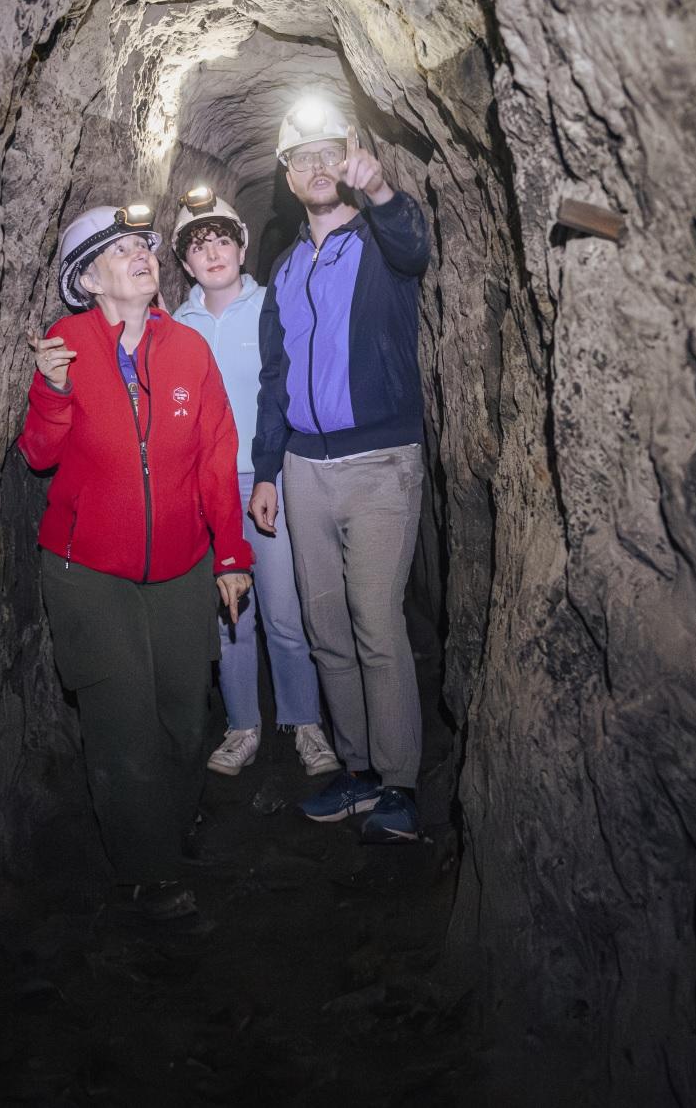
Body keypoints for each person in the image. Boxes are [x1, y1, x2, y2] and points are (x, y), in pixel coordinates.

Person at [18, 201, 253, 921]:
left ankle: (169, 825)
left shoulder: (187, 348)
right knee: (121, 718)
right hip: (88, 569)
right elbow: (38, 454)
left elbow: (217, 455)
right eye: (120, 251)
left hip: (182, 565)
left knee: (184, 716)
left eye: (143, 247)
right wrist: (53, 392)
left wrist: (231, 553)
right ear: (88, 279)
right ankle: (144, 871)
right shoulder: (66, 343)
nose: (141, 256)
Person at [250, 101, 431, 844]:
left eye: (330, 154)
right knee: (327, 627)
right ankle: (356, 771)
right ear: (289, 177)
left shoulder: (380, 243)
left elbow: (416, 247)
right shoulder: (286, 270)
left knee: (375, 623)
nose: (318, 167)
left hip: (381, 461)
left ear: (348, 160)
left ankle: (398, 783)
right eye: (303, 158)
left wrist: (382, 191)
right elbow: (274, 380)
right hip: (303, 467)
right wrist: (266, 469)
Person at [169, 187, 341, 779]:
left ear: (242, 248)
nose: (212, 253)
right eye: (198, 245)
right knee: (231, 614)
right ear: (185, 263)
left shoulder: (275, 305)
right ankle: (243, 726)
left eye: (222, 239)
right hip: (206, 489)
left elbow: (291, 390)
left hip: (269, 478)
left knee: (285, 610)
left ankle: (304, 722)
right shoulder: (175, 326)